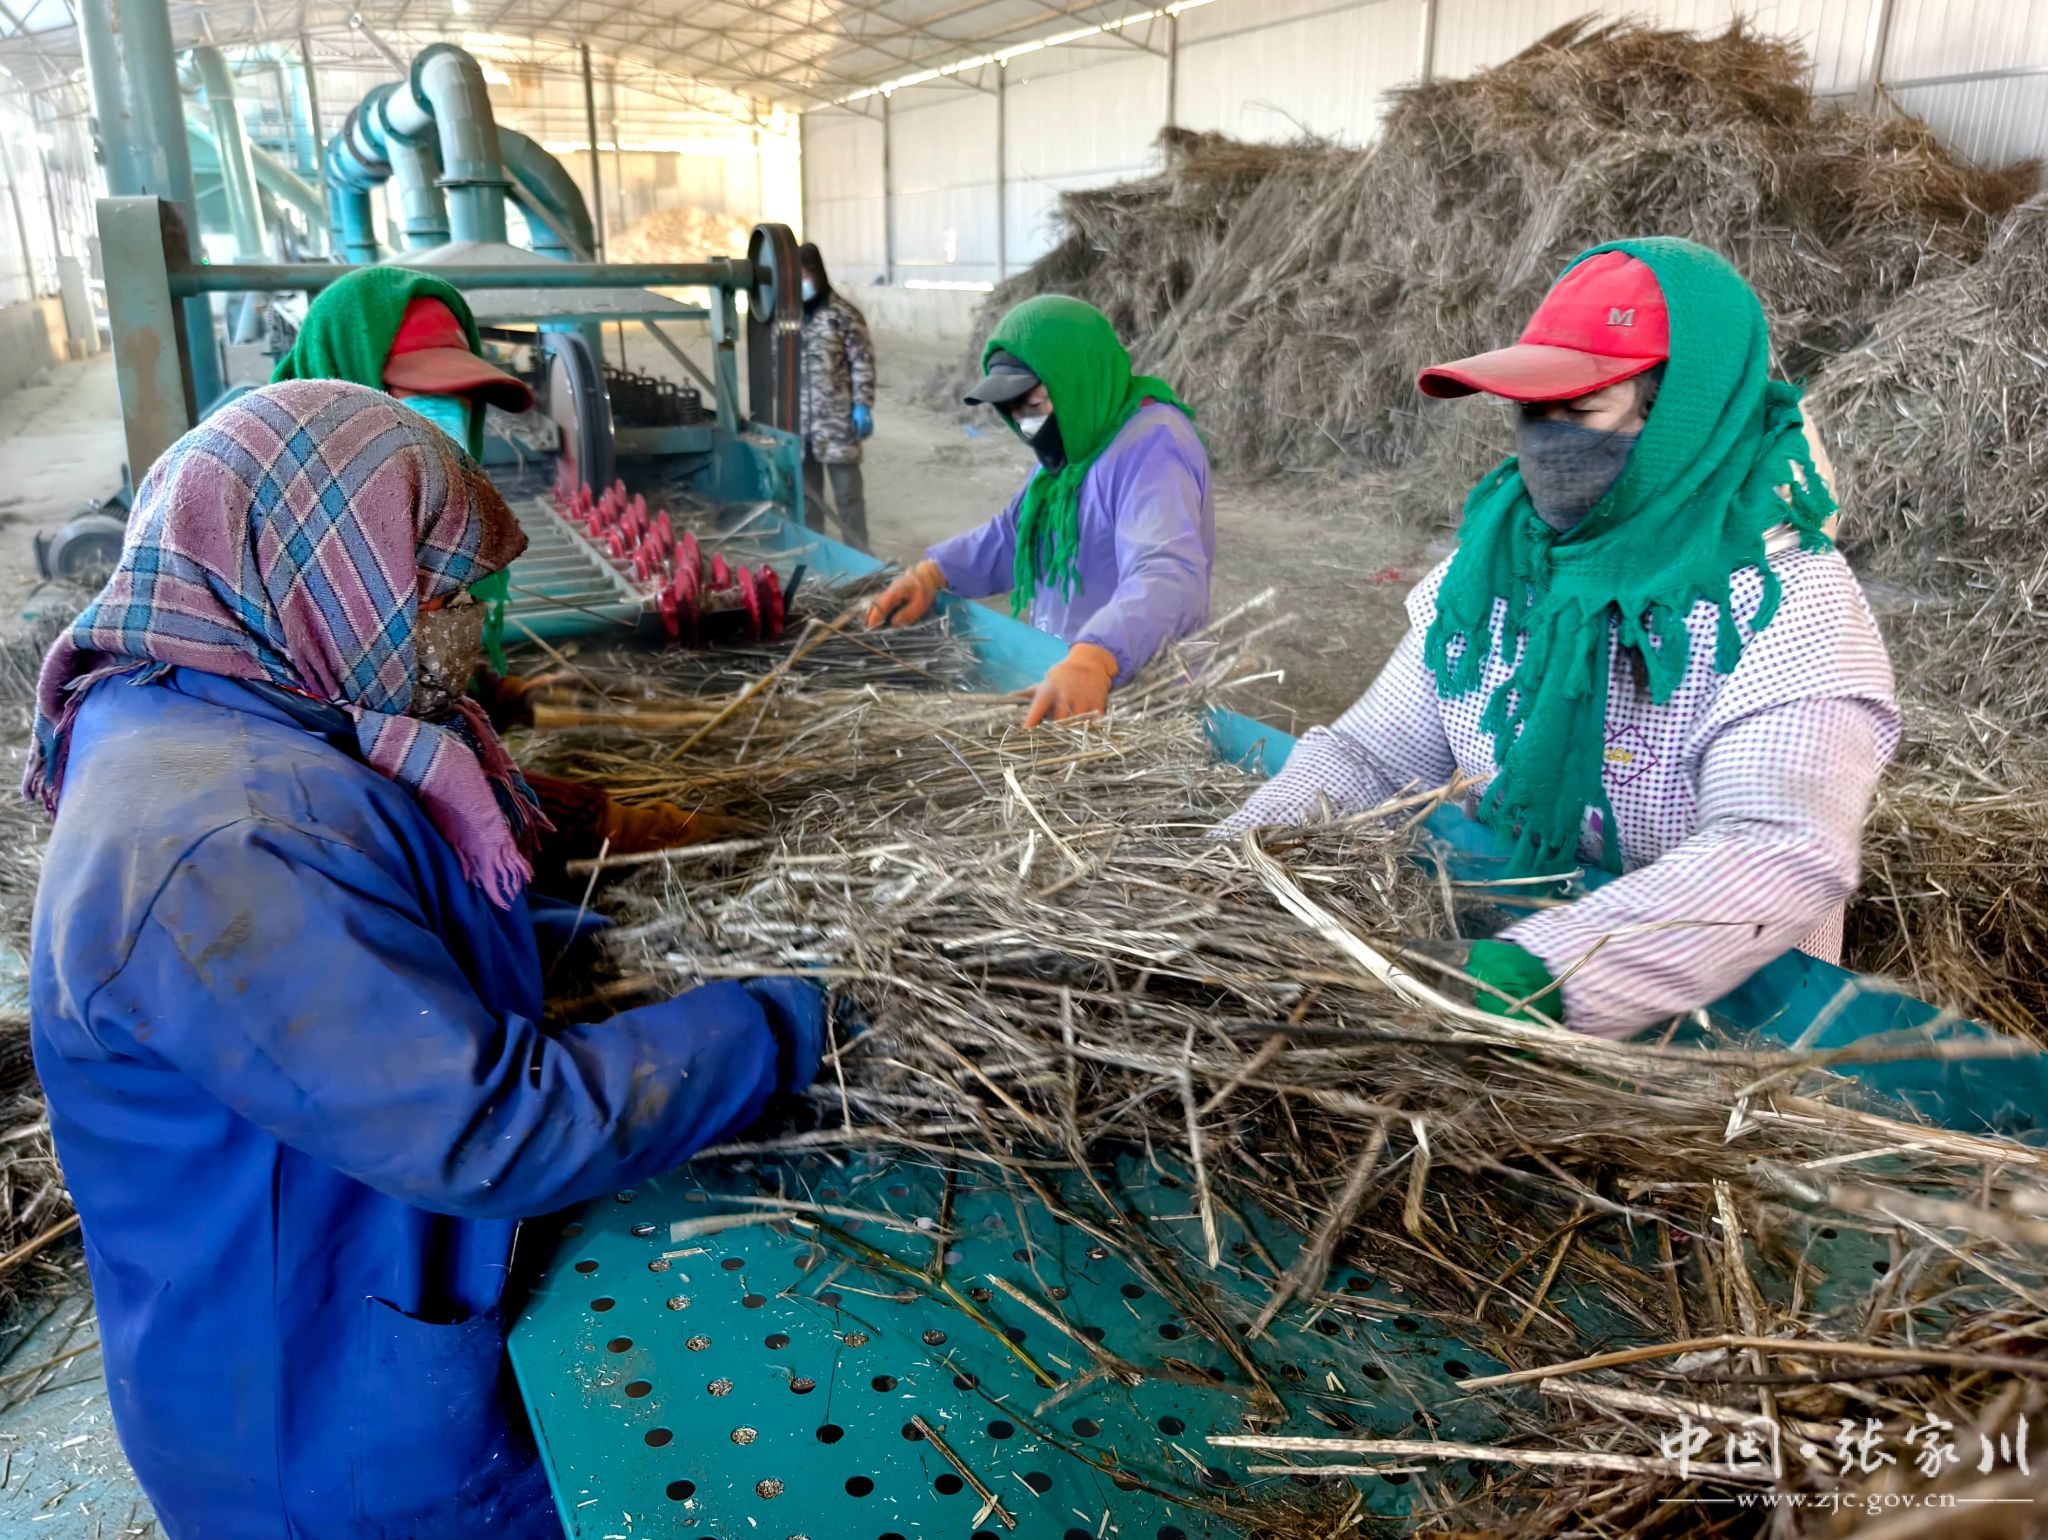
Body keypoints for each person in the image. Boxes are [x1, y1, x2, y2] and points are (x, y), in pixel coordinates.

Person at [25, 381, 827, 1539]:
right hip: (321, 1436)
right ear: (319, 570)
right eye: (435, 591)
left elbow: (365, 952)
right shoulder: (227, 844)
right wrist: (783, 1021)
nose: (458, 628)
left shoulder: (221, 712)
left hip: (320, 1309)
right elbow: (489, 1129)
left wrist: (588, 943)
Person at [1215, 239, 1900, 1039]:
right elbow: (1373, 756)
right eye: (1533, 412)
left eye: (1579, 413)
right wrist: (1239, 860)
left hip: (1727, 1030)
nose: (1548, 442)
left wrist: (1550, 974)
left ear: (1679, 416)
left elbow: (1775, 849)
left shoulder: (1784, 607)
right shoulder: (1499, 566)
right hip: (1493, 962)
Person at [275, 264, 732, 865]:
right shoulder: (295, 539)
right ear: (344, 381)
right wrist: (602, 823)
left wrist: (498, 696)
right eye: (420, 398)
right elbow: (388, 772)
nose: (446, 420)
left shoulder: (394, 507)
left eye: (460, 401)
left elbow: (410, 688)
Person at [866, 295, 1213, 727]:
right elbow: (1016, 535)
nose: (1026, 422)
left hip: (1133, 691)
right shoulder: (1076, 440)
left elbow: (1168, 573)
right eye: (1013, 409)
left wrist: (1096, 658)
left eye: (1033, 404)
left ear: (1075, 380)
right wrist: (933, 574)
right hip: (1068, 673)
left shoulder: (1152, 445)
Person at [797, 242, 877, 551]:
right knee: (808, 497)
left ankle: (858, 555)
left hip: (837, 422)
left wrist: (862, 405)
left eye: (805, 274)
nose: (801, 282)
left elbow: (862, 363)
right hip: (799, 424)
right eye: (795, 276)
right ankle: (815, 554)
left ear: (817, 273)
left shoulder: (844, 315)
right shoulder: (787, 317)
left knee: (848, 495)